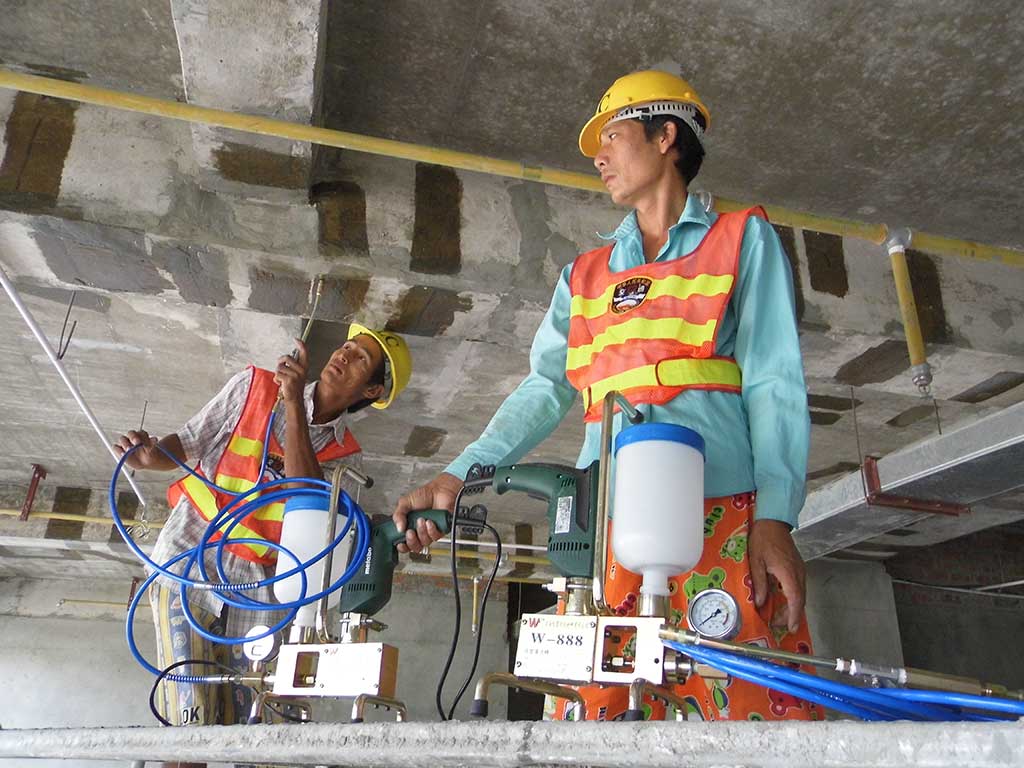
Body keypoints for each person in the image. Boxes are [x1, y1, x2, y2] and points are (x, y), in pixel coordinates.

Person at [393, 70, 817, 722]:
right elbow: (544, 388)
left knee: (740, 703)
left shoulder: (739, 239)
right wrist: (460, 473)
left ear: (665, 136)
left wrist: (776, 517)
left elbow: (773, 380)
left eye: (611, 136)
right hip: (603, 523)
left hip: (720, 509)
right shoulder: (585, 275)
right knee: (592, 706)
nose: (597, 156)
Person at [114, 323, 411, 746]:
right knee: (189, 721)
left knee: (254, 727)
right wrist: (149, 456)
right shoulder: (252, 387)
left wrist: (293, 403)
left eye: (360, 358)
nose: (343, 355)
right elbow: (189, 443)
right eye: (346, 346)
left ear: (372, 391)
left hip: (261, 595)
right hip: (188, 562)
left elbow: (305, 495)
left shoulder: (348, 461)